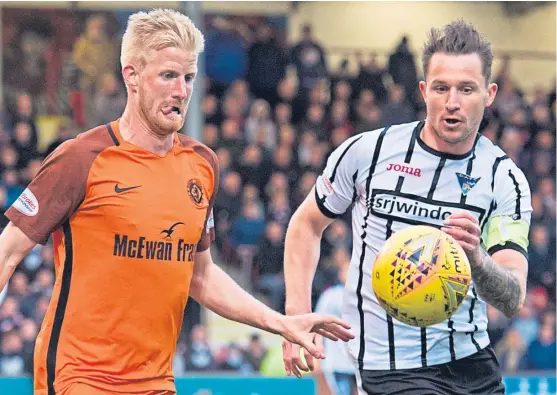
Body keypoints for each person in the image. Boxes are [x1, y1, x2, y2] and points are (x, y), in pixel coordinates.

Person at [0, 9, 353, 395]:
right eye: (168, 76)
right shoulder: (81, 158)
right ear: (131, 76)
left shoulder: (201, 165)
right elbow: (8, 253)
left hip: (157, 382)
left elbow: (200, 275)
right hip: (79, 378)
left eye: (188, 78)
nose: (182, 91)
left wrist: (281, 322)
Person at [282, 20, 532, 395]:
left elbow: (513, 297)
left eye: (466, 89)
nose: (452, 102)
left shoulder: (504, 179)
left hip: (472, 363)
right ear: (422, 90)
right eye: (441, 88)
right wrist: (296, 316)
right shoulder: (367, 152)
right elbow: (306, 225)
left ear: (490, 93)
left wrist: (479, 258)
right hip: (389, 366)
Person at [314, 259, 356, 395]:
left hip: (360, 362)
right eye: (346, 270)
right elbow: (317, 325)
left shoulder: (366, 296)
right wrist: (317, 356)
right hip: (337, 362)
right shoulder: (331, 295)